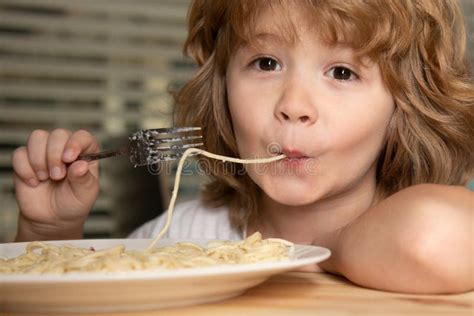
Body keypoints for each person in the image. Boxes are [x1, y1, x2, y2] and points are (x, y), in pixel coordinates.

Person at [11, 0, 473, 294]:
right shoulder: (179, 238)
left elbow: (434, 234)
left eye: (342, 73)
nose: (294, 106)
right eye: (266, 62)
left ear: (405, 106)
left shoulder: (427, 232)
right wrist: (48, 235)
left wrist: (316, 250)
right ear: (223, 90)